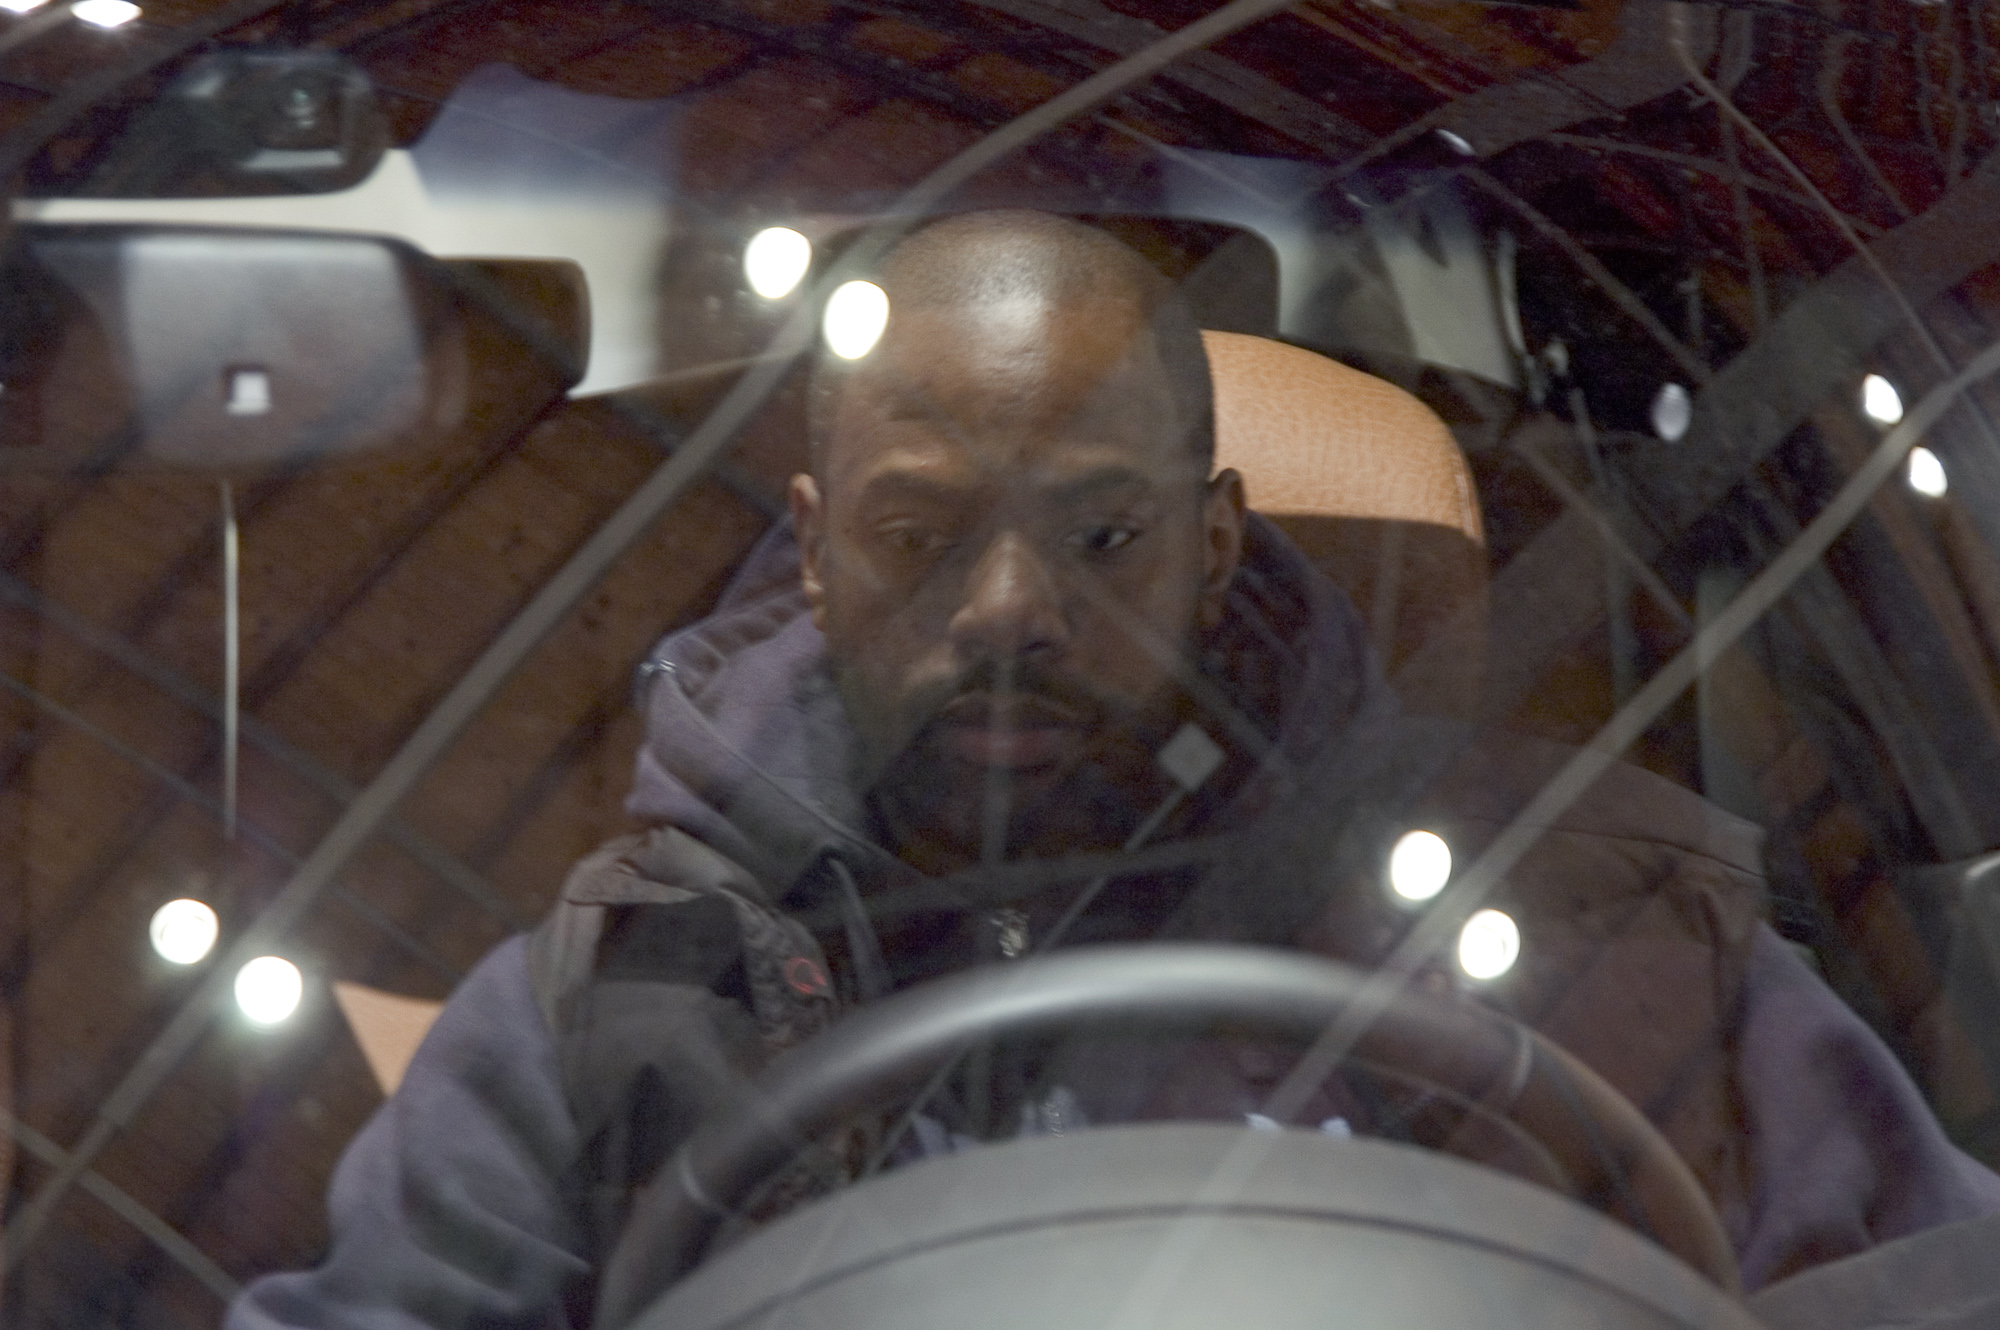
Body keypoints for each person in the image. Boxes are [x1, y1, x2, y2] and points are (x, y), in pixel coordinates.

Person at [228, 210, 2000, 1330]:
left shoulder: (1606, 919)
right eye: (921, 534)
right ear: (820, 553)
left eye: (1100, 534)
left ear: (1213, 546)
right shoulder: (615, 1005)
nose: (1011, 609)